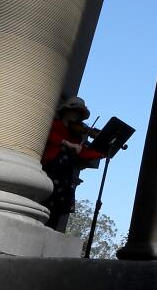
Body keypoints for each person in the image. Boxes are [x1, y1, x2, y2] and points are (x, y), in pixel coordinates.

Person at [41, 96, 103, 229]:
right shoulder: (55, 124)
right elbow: (48, 134)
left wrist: (102, 152)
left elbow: (84, 153)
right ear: (66, 111)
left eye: (80, 113)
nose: (77, 115)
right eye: (75, 111)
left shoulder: (75, 135)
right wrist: (65, 143)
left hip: (64, 174)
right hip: (51, 169)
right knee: (45, 200)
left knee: (57, 207)